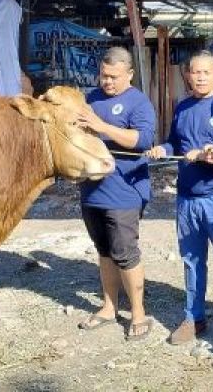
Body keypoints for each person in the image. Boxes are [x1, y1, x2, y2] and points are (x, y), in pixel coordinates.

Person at [146, 50, 213, 346]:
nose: (200, 77)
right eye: (195, 72)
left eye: (207, 72)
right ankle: (194, 317)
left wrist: (212, 154)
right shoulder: (183, 106)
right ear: (188, 75)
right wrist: (162, 149)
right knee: (191, 261)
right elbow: (175, 141)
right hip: (187, 198)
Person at [76, 47, 157, 341]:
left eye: (114, 77)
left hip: (124, 192)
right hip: (91, 191)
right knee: (104, 252)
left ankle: (138, 313)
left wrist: (101, 126)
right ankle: (109, 307)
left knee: (125, 253)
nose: (107, 82)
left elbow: (143, 139)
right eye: (103, 76)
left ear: (130, 75)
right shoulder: (91, 99)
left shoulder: (139, 103)